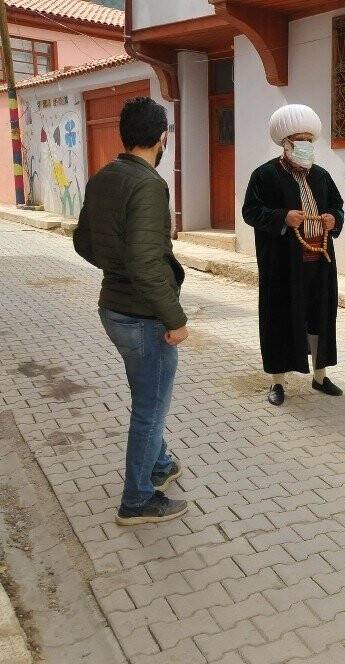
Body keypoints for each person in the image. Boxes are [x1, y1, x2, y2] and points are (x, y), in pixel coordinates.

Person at [73, 97, 188, 526]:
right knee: (150, 407)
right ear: (162, 137)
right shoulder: (149, 185)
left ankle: (159, 465)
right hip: (143, 317)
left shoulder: (104, 177)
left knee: (148, 395)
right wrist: (174, 318)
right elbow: (146, 261)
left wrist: (117, 267)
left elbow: (84, 242)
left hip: (113, 309)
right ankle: (137, 499)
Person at [243, 104, 345, 406]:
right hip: (283, 266)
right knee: (279, 319)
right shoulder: (264, 176)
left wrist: (333, 220)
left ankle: (320, 376)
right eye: (299, 142)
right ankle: (277, 382)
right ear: (285, 145)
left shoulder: (322, 176)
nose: (305, 147)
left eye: (309, 141)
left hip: (320, 262)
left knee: (321, 318)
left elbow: (338, 206)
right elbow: (251, 211)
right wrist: (282, 217)